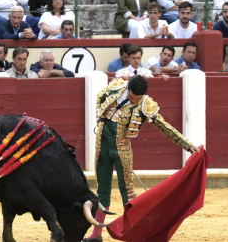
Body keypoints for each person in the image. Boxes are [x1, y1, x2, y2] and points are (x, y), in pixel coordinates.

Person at [82, 75, 200, 242]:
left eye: (136, 99)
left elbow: (164, 126)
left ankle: (133, 235)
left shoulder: (145, 104)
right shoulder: (116, 87)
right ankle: (96, 236)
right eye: (130, 97)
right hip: (102, 147)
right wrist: (100, 121)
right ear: (128, 88)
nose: (132, 101)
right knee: (102, 191)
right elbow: (100, 99)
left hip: (122, 151)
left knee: (128, 193)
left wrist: (187, 145)